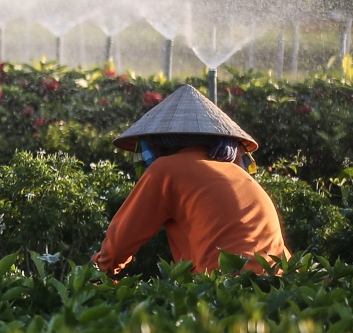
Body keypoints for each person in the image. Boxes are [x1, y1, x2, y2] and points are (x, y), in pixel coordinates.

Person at [94, 83, 287, 276]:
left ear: (157, 144)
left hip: (226, 285)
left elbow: (118, 245)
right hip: (282, 282)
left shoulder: (166, 170)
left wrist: (99, 272)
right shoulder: (238, 174)